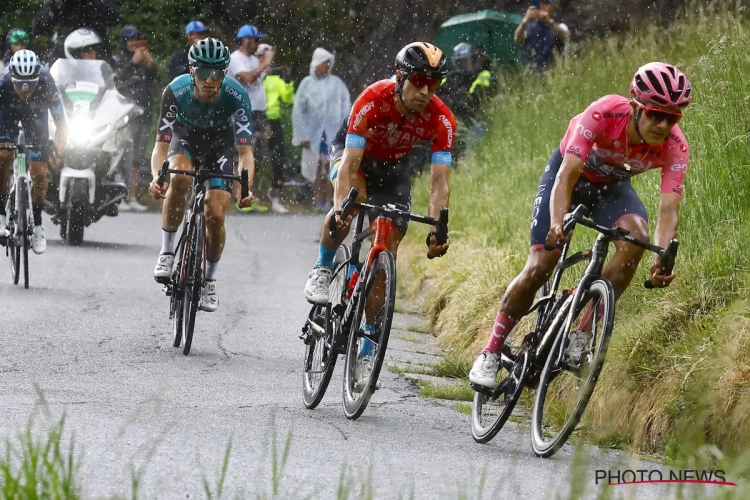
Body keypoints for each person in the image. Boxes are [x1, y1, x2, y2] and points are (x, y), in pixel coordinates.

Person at [469, 62, 693, 388]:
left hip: (612, 189)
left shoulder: (675, 145)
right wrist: (557, 223)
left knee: (637, 240)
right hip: (569, 178)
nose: (662, 125)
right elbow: (565, 176)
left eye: (671, 118)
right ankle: (490, 352)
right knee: (540, 264)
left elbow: (669, 208)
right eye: (654, 114)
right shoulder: (604, 113)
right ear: (634, 107)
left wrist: (662, 255)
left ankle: (581, 333)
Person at [303, 42, 455, 379]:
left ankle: (368, 345)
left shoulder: (442, 119)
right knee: (351, 207)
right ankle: (323, 267)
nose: (426, 91)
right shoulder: (373, 98)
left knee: (388, 250)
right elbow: (350, 166)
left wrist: (437, 230)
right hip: (354, 156)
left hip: (394, 170)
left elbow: (439, 183)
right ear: (400, 77)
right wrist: (342, 206)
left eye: (435, 83)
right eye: (419, 80)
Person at [148, 38, 254, 312]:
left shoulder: (238, 95)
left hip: (220, 145)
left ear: (224, 74)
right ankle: (167, 251)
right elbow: (160, 147)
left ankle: (210, 279)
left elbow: (245, 154)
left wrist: (245, 186)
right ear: (192, 72)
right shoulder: (175, 90)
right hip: (184, 140)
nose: (210, 80)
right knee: (180, 177)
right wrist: (157, 177)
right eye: (204, 73)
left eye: (217, 73)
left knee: (216, 213)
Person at [0, 50, 67, 253]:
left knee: (39, 173)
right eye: (19, 83)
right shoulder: (3, 84)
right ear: (11, 78)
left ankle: (37, 225)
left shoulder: (47, 82)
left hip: (35, 118)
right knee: (3, 156)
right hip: (7, 116)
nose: (25, 88)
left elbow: (61, 123)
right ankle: (2, 216)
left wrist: (59, 150)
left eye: (30, 83)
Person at [292, 48, 350, 213]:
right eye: (324, 63)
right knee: (317, 168)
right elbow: (298, 111)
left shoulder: (337, 84)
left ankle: (332, 201)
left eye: (328, 63)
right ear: (316, 64)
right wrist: (302, 134)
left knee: (333, 167)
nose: (327, 66)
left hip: (334, 132)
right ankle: (319, 201)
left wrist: (345, 128)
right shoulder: (307, 84)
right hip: (313, 134)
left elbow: (346, 104)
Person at [228, 25, 273, 213]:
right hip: (242, 112)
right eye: (255, 40)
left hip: (258, 112)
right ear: (245, 40)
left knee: (259, 156)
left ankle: (250, 194)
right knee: (244, 153)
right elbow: (246, 78)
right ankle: (239, 195)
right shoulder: (235, 58)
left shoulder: (254, 59)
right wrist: (263, 64)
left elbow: (258, 80)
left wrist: (263, 63)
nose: (257, 44)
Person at [113, 24, 158, 212]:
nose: (135, 43)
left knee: (137, 158)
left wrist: (150, 65)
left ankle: (131, 197)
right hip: (125, 114)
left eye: (137, 38)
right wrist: (132, 62)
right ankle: (118, 197)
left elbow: (156, 81)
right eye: (131, 39)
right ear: (124, 42)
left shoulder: (144, 61)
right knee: (122, 155)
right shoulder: (117, 60)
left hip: (144, 112)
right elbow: (115, 81)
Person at [31, 0, 119, 62]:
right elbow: (39, 26)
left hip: (96, 47)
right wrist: (54, 5)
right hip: (66, 50)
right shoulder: (61, 3)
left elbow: (114, 18)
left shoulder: (97, 3)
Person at [263, 57, 295, 214]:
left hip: (272, 120)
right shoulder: (252, 75)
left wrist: (288, 80)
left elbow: (289, 98)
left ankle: (275, 198)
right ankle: (249, 196)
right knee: (254, 159)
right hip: (255, 118)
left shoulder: (273, 79)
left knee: (278, 157)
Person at [514, 0, 570, 72]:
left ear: (551, 7)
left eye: (545, 4)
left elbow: (565, 36)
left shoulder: (560, 26)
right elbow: (517, 39)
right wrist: (524, 21)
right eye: (538, 4)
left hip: (553, 76)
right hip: (531, 76)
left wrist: (549, 22)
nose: (541, 7)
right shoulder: (528, 27)